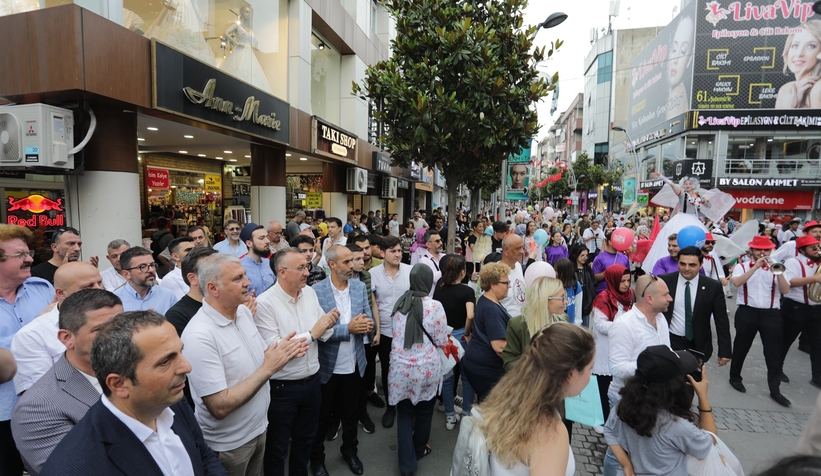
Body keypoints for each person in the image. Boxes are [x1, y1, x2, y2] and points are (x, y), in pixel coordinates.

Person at [40, 311, 227, 476]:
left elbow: (203, 456)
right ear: (119, 384)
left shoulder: (171, 400)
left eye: (180, 352)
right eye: (164, 362)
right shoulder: (76, 467)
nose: (186, 366)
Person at [183, 253, 308, 475]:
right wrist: (270, 367)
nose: (248, 283)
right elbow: (219, 406)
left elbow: (261, 355)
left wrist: (282, 351)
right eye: (238, 278)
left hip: (259, 429)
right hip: (231, 445)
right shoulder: (199, 336)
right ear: (213, 288)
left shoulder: (242, 312)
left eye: (245, 276)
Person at [11, 289, 123, 475]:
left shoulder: (145, 374)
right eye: (100, 330)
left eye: (121, 325)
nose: (119, 336)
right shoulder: (38, 407)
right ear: (67, 338)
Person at [254, 248, 340, 476]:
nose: (307, 272)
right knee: (278, 447)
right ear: (282, 272)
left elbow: (323, 330)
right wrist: (313, 333)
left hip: (312, 384)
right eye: (301, 267)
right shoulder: (265, 304)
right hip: (282, 389)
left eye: (307, 266)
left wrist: (328, 324)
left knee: (305, 441)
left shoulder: (309, 294)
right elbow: (276, 349)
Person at [479, 323, 594, 476]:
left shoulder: (509, 394)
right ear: (571, 374)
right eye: (590, 368)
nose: (591, 376)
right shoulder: (550, 433)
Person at [310, 246, 373, 476]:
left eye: (353, 261)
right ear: (332, 265)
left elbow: (368, 318)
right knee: (322, 418)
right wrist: (348, 329)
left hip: (355, 365)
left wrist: (367, 326)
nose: (353, 265)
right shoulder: (316, 292)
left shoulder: (357, 287)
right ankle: (316, 460)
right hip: (327, 367)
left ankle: (350, 451)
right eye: (347, 262)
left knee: (350, 415)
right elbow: (316, 331)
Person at [604, 345, 716, 476]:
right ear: (673, 385)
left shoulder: (624, 406)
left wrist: (626, 465)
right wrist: (703, 396)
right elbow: (709, 443)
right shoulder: (676, 426)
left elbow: (609, 430)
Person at [0, 224, 54, 475]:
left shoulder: (42, 288)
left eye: (28, 252)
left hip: (48, 406)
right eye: (20, 255)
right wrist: (35, 330)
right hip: (4, 412)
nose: (30, 258)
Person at [388, 264, 447, 476]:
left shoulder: (399, 303)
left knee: (404, 414)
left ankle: (407, 465)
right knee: (424, 412)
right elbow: (440, 340)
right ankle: (419, 449)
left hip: (400, 369)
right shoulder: (435, 306)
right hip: (426, 370)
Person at [11, 262, 104, 395]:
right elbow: (40, 397)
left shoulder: (116, 320)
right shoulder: (32, 335)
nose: (99, 290)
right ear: (60, 293)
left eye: (100, 283)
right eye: (88, 286)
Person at [729, 236, 792, 406]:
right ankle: (735, 377)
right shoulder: (741, 266)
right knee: (741, 347)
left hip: (771, 314)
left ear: (771, 251)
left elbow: (785, 290)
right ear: (752, 251)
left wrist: (777, 272)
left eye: (765, 250)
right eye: (758, 249)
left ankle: (775, 390)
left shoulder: (777, 268)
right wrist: (755, 268)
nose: (762, 253)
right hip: (747, 311)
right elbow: (736, 283)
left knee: (773, 353)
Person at [660, 246, 732, 365]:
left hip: (698, 345)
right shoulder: (665, 281)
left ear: (701, 264)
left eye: (692, 265)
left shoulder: (712, 287)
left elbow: (721, 320)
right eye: (682, 264)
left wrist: (725, 350)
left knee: (694, 381)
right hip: (670, 341)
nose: (686, 268)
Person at [370, 236, 412, 430]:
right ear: (382, 253)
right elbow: (374, 305)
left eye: (399, 251)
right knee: (387, 371)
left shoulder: (410, 272)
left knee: (408, 369)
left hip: (408, 332)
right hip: (386, 331)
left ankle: (408, 403)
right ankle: (391, 406)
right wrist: (377, 330)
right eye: (393, 251)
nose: (397, 254)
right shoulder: (372, 274)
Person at [433, 254, 476, 429]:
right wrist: (467, 333)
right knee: (467, 378)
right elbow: (471, 315)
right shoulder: (468, 291)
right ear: (463, 272)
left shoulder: (439, 288)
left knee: (447, 377)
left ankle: (450, 415)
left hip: (445, 338)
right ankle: (466, 412)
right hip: (462, 337)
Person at [591, 264, 633, 434]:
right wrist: (622, 327)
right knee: (603, 385)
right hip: (605, 347)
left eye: (628, 280)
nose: (626, 284)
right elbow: (600, 324)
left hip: (622, 348)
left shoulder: (629, 296)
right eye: (622, 281)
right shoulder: (603, 297)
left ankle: (616, 417)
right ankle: (600, 417)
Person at [461, 262, 513, 401]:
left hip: (478, 365)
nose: (510, 286)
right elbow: (499, 347)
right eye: (506, 283)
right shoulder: (491, 310)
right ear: (493, 284)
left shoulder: (486, 300)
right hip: (487, 370)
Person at [780, 235, 821, 387]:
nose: (817, 251)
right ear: (803, 250)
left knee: (818, 344)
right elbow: (790, 282)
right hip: (796, 307)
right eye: (813, 248)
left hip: (816, 307)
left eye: (818, 247)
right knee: (786, 340)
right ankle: (777, 370)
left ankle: (818, 376)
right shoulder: (793, 262)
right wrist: (814, 279)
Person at [502, 277, 568, 372]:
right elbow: (509, 362)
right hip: (530, 384)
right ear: (545, 299)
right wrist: (534, 367)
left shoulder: (564, 320)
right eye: (562, 297)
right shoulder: (517, 325)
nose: (565, 301)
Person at [165, 247, 218, 337]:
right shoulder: (177, 315)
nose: (218, 275)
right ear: (192, 278)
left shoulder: (227, 304)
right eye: (210, 271)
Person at [113, 247, 178, 314]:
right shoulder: (115, 300)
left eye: (152, 265)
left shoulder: (167, 295)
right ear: (126, 274)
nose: (151, 270)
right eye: (142, 267)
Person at [776, 20, 821, 109]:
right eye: (795, 45)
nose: (799, 54)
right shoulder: (785, 90)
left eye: (811, 46)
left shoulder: (818, 89)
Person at [665, 11, 694, 119]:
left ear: (690, 58)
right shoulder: (681, 93)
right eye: (674, 49)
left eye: (682, 51)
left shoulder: (675, 96)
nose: (675, 60)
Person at [239, 223, 275, 297]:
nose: (267, 241)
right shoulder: (240, 266)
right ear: (249, 243)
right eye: (262, 238)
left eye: (266, 237)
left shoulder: (269, 263)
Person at [591, 231, 631, 295]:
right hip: (603, 294)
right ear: (610, 242)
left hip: (620, 294)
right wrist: (607, 273)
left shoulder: (624, 258)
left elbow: (628, 276)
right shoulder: (599, 258)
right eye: (617, 240)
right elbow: (593, 278)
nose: (619, 242)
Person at [498, 234, 527, 318]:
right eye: (518, 248)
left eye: (522, 247)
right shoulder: (497, 272)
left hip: (522, 323)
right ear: (506, 250)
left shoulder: (518, 266)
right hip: (507, 324)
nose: (522, 252)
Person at [570, 244, 596, 328]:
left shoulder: (588, 269)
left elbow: (593, 284)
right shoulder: (571, 269)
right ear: (575, 255)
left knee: (585, 329)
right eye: (582, 255)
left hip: (586, 303)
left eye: (586, 255)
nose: (585, 257)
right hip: (574, 303)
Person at [554, 258, 582, 326]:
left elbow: (578, 309)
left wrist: (575, 327)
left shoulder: (576, 285)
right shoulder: (553, 286)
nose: (555, 273)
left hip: (571, 326)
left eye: (557, 271)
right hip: (556, 325)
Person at [417, 230, 443, 295]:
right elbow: (433, 278)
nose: (441, 243)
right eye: (437, 241)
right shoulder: (423, 260)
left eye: (440, 240)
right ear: (428, 244)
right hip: (432, 299)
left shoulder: (444, 256)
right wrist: (450, 269)